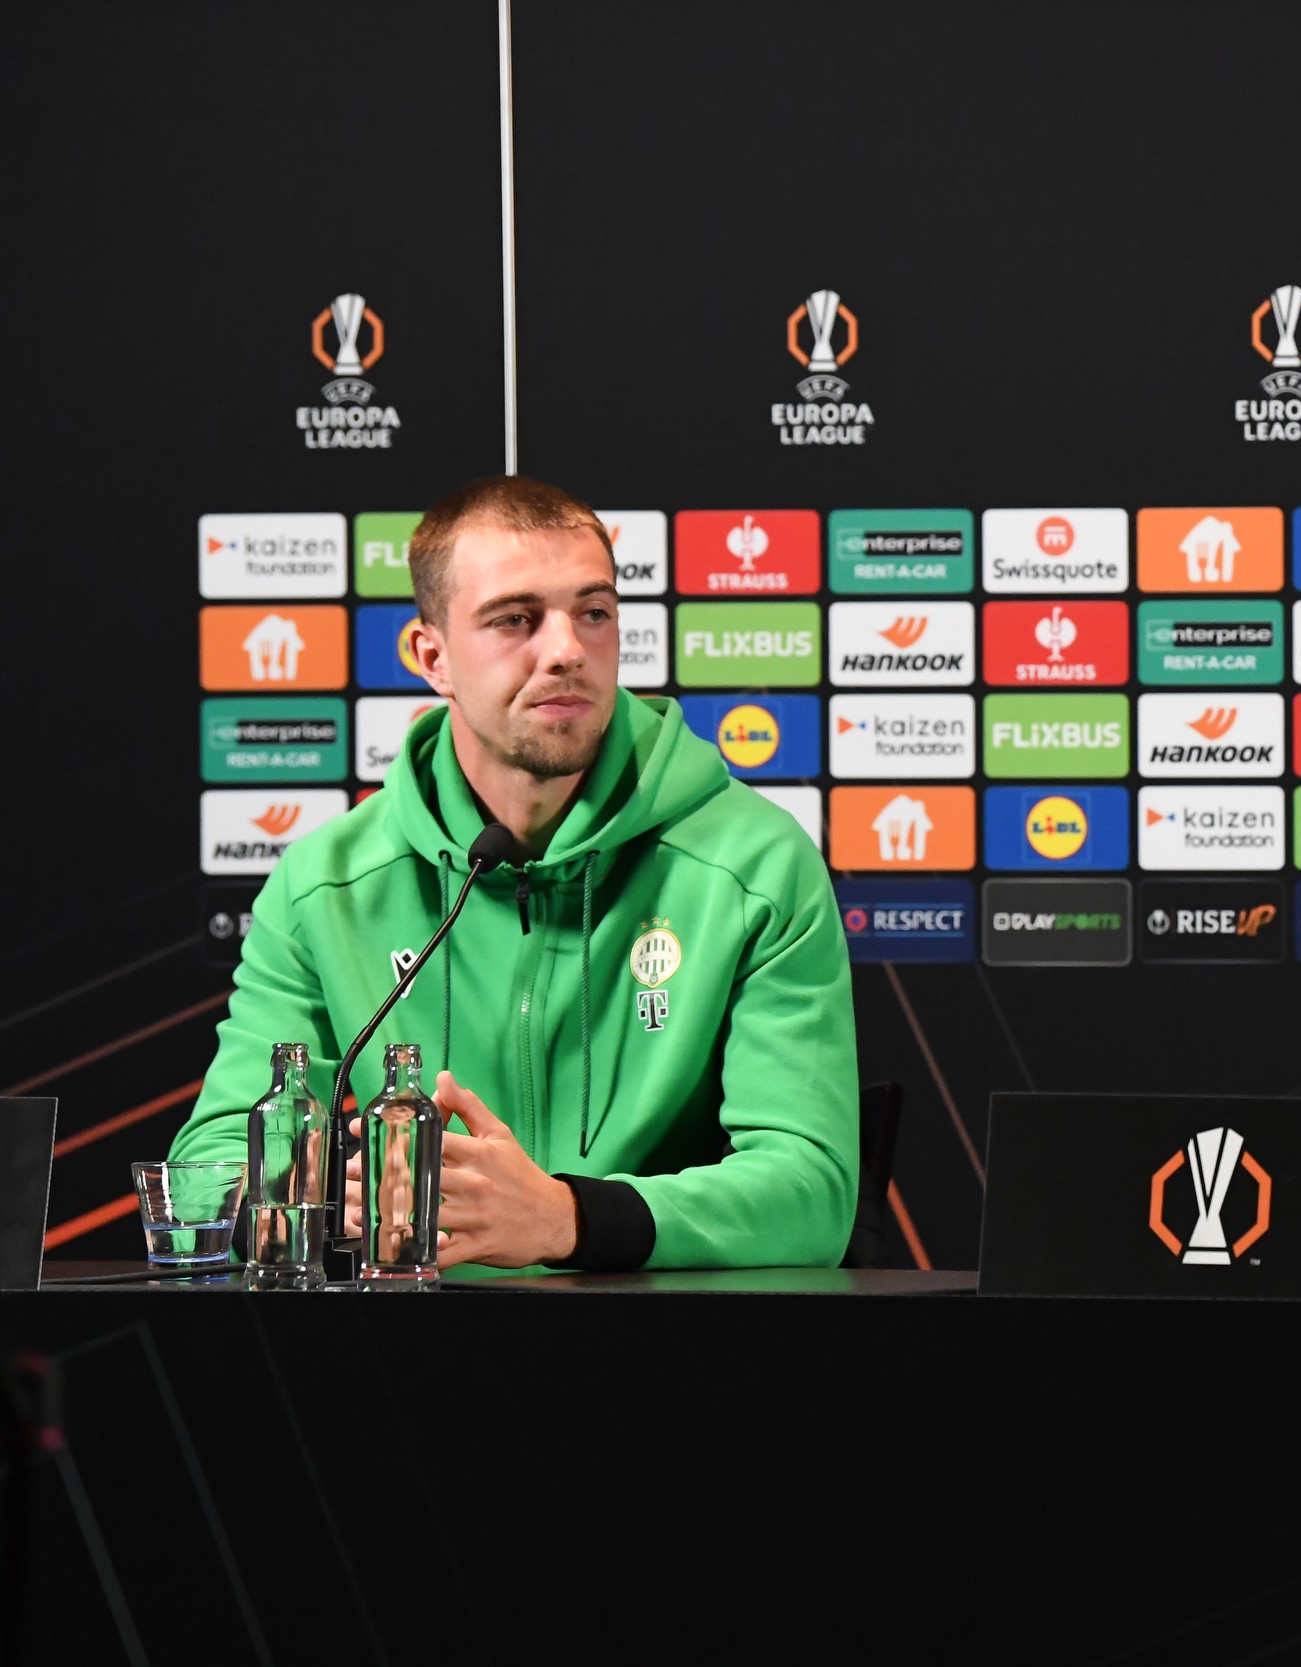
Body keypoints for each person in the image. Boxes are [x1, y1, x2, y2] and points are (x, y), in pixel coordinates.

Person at [173, 477, 858, 1270]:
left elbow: (813, 1192)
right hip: (415, 1335)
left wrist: (570, 1217)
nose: (567, 649)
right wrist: (324, 1199)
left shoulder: (755, 865)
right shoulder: (326, 885)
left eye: (593, 612)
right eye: (516, 619)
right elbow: (209, 1171)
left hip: (668, 1333)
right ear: (433, 657)